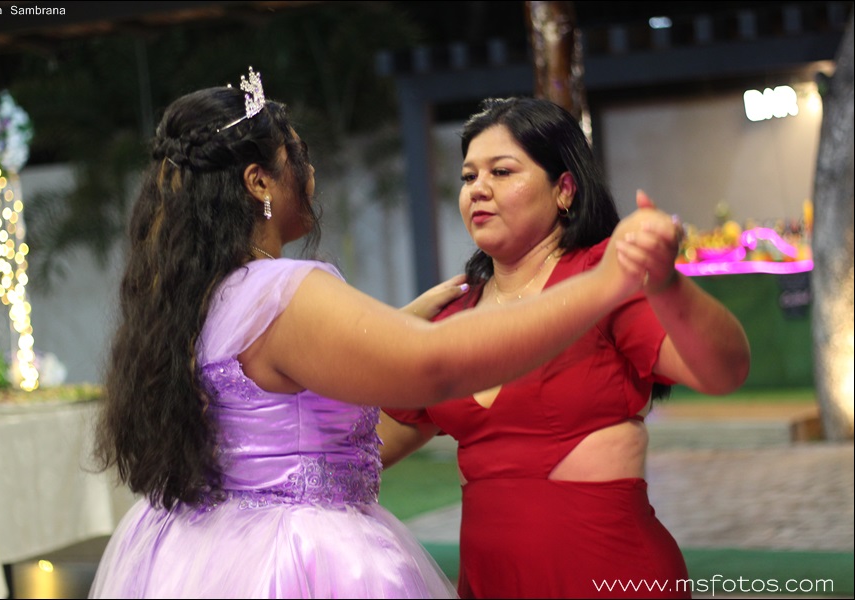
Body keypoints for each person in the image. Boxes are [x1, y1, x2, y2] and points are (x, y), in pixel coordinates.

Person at [87, 70, 679, 599]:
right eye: (298, 157)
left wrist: (397, 323)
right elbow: (435, 365)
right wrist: (602, 285)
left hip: (206, 554)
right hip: (300, 556)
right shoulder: (282, 290)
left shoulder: (203, 295)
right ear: (259, 182)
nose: (310, 176)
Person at [379, 97, 751, 599]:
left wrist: (665, 284)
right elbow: (360, 454)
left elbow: (724, 372)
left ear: (564, 189)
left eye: (501, 171)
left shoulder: (604, 277)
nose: (478, 189)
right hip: (490, 584)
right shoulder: (452, 316)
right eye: (469, 177)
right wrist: (397, 329)